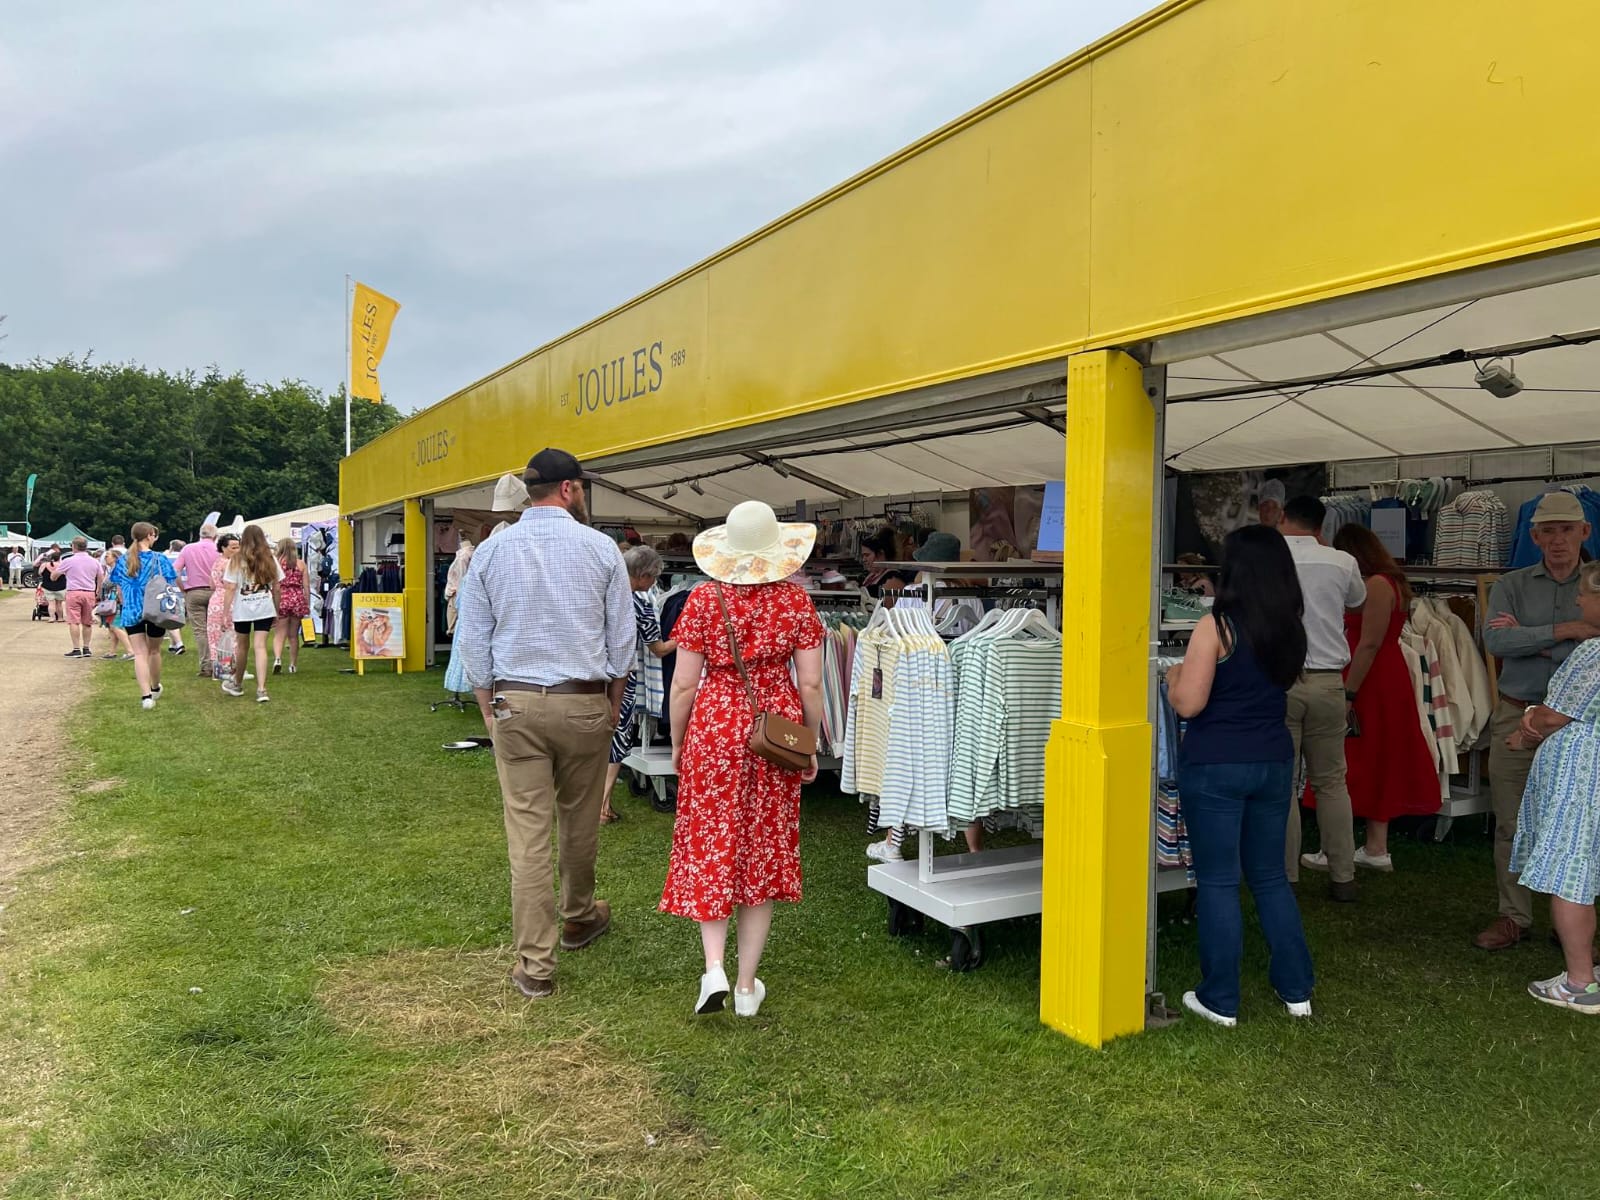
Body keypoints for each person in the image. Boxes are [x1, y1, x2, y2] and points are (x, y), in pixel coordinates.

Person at [454, 448, 636, 1001]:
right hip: (583, 700)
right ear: (570, 489)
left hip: (516, 702)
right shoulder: (601, 548)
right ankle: (578, 915)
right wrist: (613, 701)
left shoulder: (492, 551)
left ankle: (536, 963)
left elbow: (473, 642)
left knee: (528, 834)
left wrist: (488, 707)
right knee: (579, 818)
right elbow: (621, 641)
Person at [660, 501, 825, 1019]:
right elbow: (813, 682)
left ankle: (714, 968)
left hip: (714, 725)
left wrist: (679, 741)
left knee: (712, 841)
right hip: (771, 732)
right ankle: (748, 986)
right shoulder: (795, 603)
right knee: (762, 848)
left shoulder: (703, 600)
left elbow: (684, 683)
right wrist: (809, 742)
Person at [1164, 525, 1314, 1026]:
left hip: (1215, 765)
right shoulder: (1291, 624)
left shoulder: (1216, 625)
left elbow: (1189, 703)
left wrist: (1171, 680)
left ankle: (1220, 998)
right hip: (1273, 761)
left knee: (1219, 881)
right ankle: (1297, 991)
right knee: (1270, 877)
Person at [1477, 491, 1600, 950]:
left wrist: (1527, 638)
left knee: (1579, 824)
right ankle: (1514, 915)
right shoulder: (1511, 584)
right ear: (1533, 535)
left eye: (1567, 528)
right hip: (1517, 711)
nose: (1558, 539)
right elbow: (1495, 641)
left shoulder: (1596, 580)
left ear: (1584, 532)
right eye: (1548, 530)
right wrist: (1568, 631)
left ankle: (1570, 917)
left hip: (1580, 724)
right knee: (1510, 819)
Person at [1505, 561, 1600, 1012]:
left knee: (1570, 870)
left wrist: (1526, 723)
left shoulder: (1593, 652)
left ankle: (1580, 981)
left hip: (1582, 773)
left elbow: (1554, 715)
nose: (1579, 600)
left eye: (1584, 594)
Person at [1321, 524, 1442, 869]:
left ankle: (1341, 846)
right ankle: (1375, 846)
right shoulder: (1392, 582)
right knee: (1378, 756)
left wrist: (1349, 692)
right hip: (1385, 675)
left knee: (1356, 755)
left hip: (1370, 677)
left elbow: (1369, 643)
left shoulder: (1375, 585)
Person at [1279, 496, 1368, 901]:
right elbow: (1357, 601)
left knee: (1283, 784)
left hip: (1279, 680)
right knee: (1331, 781)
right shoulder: (1342, 561)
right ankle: (1343, 874)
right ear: (1321, 524)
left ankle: (1285, 876)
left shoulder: (1268, 558)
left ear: (1282, 517)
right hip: (1329, 680)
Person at [600, 546, 677, 823]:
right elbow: (658, 649)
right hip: (622, 677)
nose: (654, 584)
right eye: (653, 578)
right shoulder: (641, 605)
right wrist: (685, 635)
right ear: (642, 576)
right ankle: (602, 804)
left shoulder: (600, 593)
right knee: (618, 736)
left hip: (590, 674)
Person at [106, 523, 179, 710]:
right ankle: (155, 686)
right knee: (154, 651)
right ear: (149, 535)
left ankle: (146, 696)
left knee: (139, 653)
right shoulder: (159, 559)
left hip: (132, 610)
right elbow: (170, 581)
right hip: (156, 609)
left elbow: (117, 583)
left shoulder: (123, 560)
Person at [221, 524, 283, 703]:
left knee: (242, 647)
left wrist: (225, 613)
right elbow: (277, 587)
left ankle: (237, 683)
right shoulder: (270, 558)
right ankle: (262, 689)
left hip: (243, 608)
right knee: (260, 646)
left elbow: (231, 587)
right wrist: (276, 610)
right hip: (264, 606)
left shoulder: (236, 559)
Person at [175, 525, 221, 677]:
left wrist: (183, 588)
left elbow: (175, 571)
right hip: (216, 592)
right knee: (218, 629)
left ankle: (206, 665)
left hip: (194, 591)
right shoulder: (219, 549)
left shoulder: (188, 549)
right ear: (215, 536)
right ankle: (220, 664)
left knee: (200, 630)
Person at [48, 536, 104, 658]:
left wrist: (56, 574)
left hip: (74, 592)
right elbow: (100, 576)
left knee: (74, 621)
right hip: (89, 592)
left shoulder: (68, 561)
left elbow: (54, 576)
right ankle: (87, 648)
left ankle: (76, 648)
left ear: (74, 546)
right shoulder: (94, 561)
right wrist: (98, 590)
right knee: (87, 621)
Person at [272, 538, 310, 675]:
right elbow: (306, 586)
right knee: (293, 635)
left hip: (281, 597)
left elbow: (274, 584)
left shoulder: (276, 564)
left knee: (279, 633)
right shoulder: (301, 564)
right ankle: (293, 665)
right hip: (297, 598)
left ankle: (277, 659)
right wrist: (307, 603)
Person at [206, 534, 240, 685]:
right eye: (233, 547)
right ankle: (230, 669)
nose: (237, 550)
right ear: (223, 548)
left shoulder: (216, 562)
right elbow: (231, 586)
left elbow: (211, 584)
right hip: (228, 601)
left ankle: (218, 670)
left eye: (238, 546)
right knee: (231, 637)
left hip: (215, 601)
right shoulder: (229, 565)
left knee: (215, 638)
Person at [38, 548, 67, 621]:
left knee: (51, 603)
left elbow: (40, 573)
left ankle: (52, 617)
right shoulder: (62, 565)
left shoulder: (44, 565)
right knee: (59, 604)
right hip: (61, 587)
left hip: (48, 587)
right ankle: (60, 618)